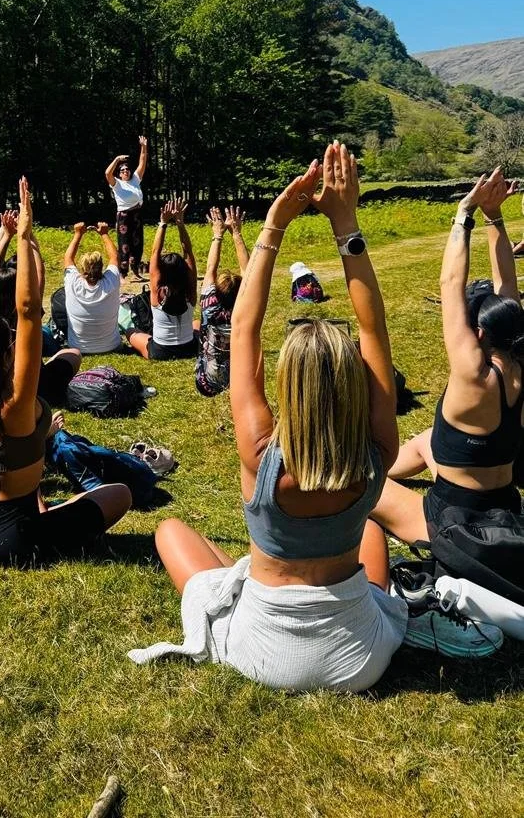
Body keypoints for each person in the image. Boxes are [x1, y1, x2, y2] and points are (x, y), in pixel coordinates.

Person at [130, 144, 497, 689]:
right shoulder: (379, 450)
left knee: (169, 531)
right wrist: (346, 223)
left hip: (261, 651)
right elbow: (373, 331)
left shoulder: (261, 455)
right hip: (360, 658)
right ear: (353, 382)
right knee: (370, 530)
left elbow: (245, 331)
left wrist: (273, 225)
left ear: (287, 385)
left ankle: (251, 575)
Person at [0, 176, 131, 567]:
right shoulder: (14, 401)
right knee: (120, 495)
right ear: (6, 351)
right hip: (11, 538)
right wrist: (27, 236)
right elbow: (28, 310)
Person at [374, 168, 523, 546]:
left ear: (478, 334)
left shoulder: (473, 373)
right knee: (427, 440)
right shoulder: (521, 362)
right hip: (507, 508)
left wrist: (464, 213)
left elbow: (451, 284)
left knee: (355, 482)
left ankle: (377, 473)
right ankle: (389, 467)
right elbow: (508, 284)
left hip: (453, 524)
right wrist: (495, 218)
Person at [0, 210, 81, 403]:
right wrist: (26, 234)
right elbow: (39, 269)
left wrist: (6, 235)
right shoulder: (27, 311)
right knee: (72, 354)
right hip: (33, 387)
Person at [127, 198, 198, 361]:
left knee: (131, 331)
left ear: (163, 273)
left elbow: (154, 254)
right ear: (184, 271)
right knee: (197, 322)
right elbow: (188, 253)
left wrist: (163, 223)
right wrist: (180, 223)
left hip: (160, 352)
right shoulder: (190, 291)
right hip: (189, 348)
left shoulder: (157, 291)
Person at [195, 205, 249, 396]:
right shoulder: (245, 310)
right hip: (241, 384)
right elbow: (248, 271)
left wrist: (217, 235)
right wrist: (236, 233)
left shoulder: (209, 305)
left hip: (207, 384)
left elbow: (211, 268)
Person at [63, 222, 122, 355]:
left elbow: (68, 258)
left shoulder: (73, 282)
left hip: (77, 348)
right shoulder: (111, 281)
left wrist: (78, 234)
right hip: (112, 346)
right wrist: (104, 234)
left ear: (82, 268)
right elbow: (114, 257)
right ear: (102, 267)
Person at [105, 136, 148, 279]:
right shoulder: (117, 184)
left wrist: (144, 146)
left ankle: (136, 272)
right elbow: (107, 173)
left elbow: (142, 161)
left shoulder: (135, 179)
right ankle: (123, 275)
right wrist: (117, 159)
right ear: (119, 173)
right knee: (124, 245)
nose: (126, 171)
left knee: (137, 243)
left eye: (127, 169)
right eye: (122, 170)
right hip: (123, 216)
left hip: (136, 214)